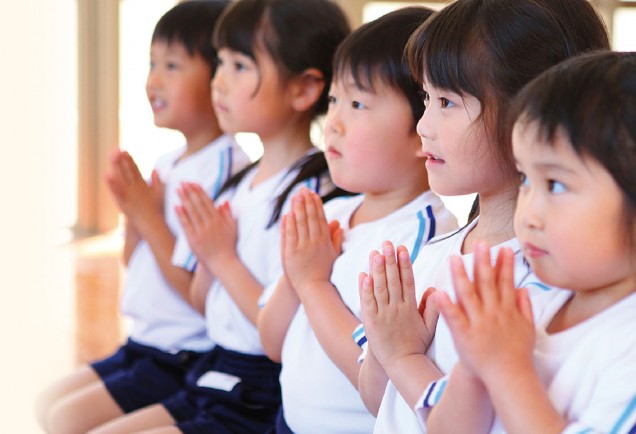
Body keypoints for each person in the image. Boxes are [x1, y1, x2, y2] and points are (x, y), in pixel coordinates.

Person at [89, 1, 350, 433]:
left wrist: (220, 257)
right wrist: (201, 253)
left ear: (303, 89)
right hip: (215, 369)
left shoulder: (315, 192)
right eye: (220, 63)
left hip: (257, 388)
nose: (219, 81)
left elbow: (284, 333)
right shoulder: (239, 184)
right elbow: (203, 302)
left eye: (240, 65)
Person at [354, 0, 610, 432]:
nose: (423, 125)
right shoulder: (435, 251)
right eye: (425, 98)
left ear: (529, 111)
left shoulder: (550, 277)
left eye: (447, 102)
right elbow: (380, 401)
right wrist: (387, 348)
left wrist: (405, 356)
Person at [35, 2, 251, 433]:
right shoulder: (170, 161)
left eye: (172, 65)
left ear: (218, 79)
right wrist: (133, 216)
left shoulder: (227, 167)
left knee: (65, 420)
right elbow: (133, 262)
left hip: (182, 353)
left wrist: (147, 216)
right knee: (46, 403)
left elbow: (196, 291)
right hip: (143, 343)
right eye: (152, 63)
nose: (153, 80)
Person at [256, 7, 459, 434]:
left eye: (358, 103)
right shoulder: (330, 215)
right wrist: (298, 277)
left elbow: (374, 383)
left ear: (421, 127)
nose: (334, 123)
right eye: (333, 100)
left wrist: (313, 284)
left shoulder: (420, 239)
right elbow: (272, 344)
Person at [427, 50, 636, 434]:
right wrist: (476, 366)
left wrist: (506, 368)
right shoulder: (532, 297)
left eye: (555, 184)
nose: (528, 213)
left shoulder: (626, 345)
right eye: (525, 179)